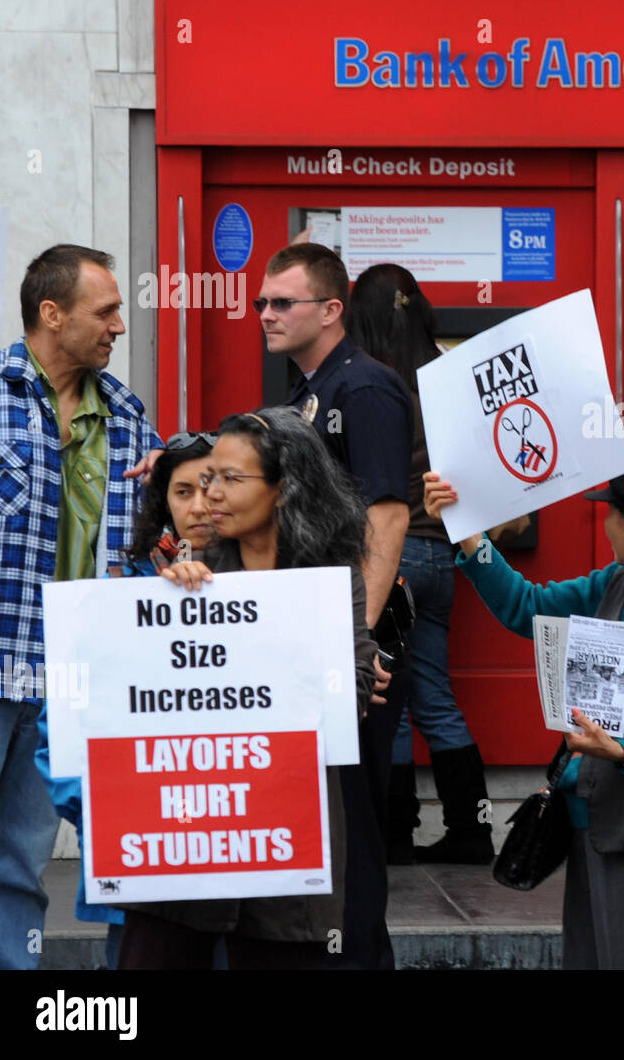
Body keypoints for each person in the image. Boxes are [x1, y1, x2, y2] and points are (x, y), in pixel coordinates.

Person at [424, 449, 624, 969]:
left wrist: (621, 750)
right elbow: (527, 608)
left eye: (612, 511)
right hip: (592, 826)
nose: (606, 519)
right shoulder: (617, 582)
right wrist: (471, 535)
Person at [115, 408, 380, 969]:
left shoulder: (330, 579)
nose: (211, 494)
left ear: (284, 490)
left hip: (284, 834)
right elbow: (141, 697)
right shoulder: (189, 569)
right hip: (187, 836)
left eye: (231, 480)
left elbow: (352, 694)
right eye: (209, 478)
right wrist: (175, 605)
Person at [0, 244, 160, 970]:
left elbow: (161, 533)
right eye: (107, 310)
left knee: (21, 857)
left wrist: (178, 486)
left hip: (80, 671)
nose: (121, 325)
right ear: (51, 316)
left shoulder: (125, 412)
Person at [257, 242, 412, 967]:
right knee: (319, 833)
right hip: (312, 645)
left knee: (349, 838)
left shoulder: (366, 388)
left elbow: (387, 517)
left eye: (281, 302)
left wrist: (360, 642)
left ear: (330, 309)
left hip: (351, 650)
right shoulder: (304, 393)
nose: (265, 314)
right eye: (262, 301)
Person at [34, 431, 218, 969]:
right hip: (141, 873)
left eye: (215, 486)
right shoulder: (113, 600)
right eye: (183, 491)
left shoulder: (274, 590)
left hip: (245, 877)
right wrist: (105, 815)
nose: (200, 505)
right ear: (163, 502)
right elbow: (57, 738)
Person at [347, 263, 494, 864]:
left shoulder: (369, 383)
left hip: (394, 554)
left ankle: (393, 835)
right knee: (433, 692)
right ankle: (471, 829)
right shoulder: (449, 376)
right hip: (443, 553)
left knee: (388, 696)